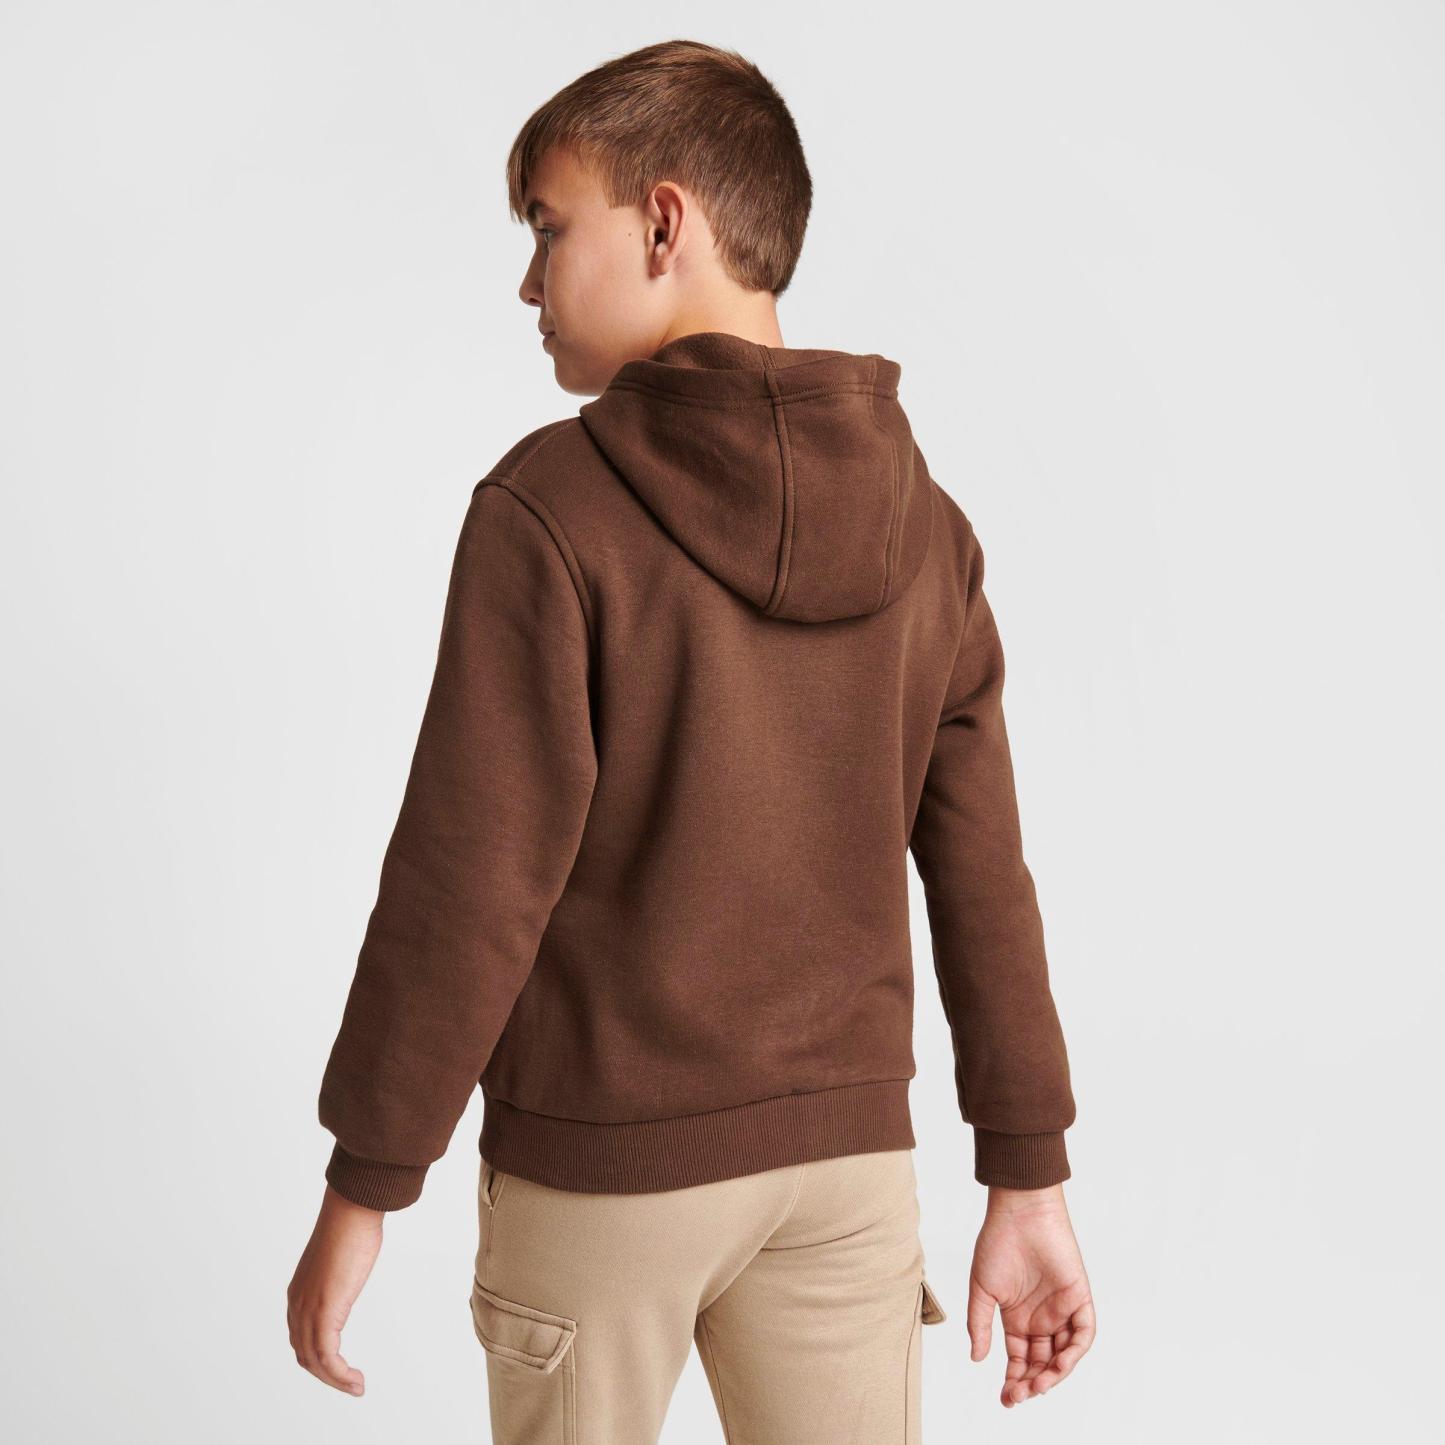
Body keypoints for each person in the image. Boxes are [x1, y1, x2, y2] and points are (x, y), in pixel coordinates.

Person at [286, 38, 1094, 1444]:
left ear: (664, 223)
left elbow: (470, 878)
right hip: (846, 1173)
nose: (528, 282)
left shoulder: (549, 510)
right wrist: (1028, 1175)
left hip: (605, 1170)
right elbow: (983, 875)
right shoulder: (927, 527)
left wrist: (367, 1180)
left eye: (548, 229)